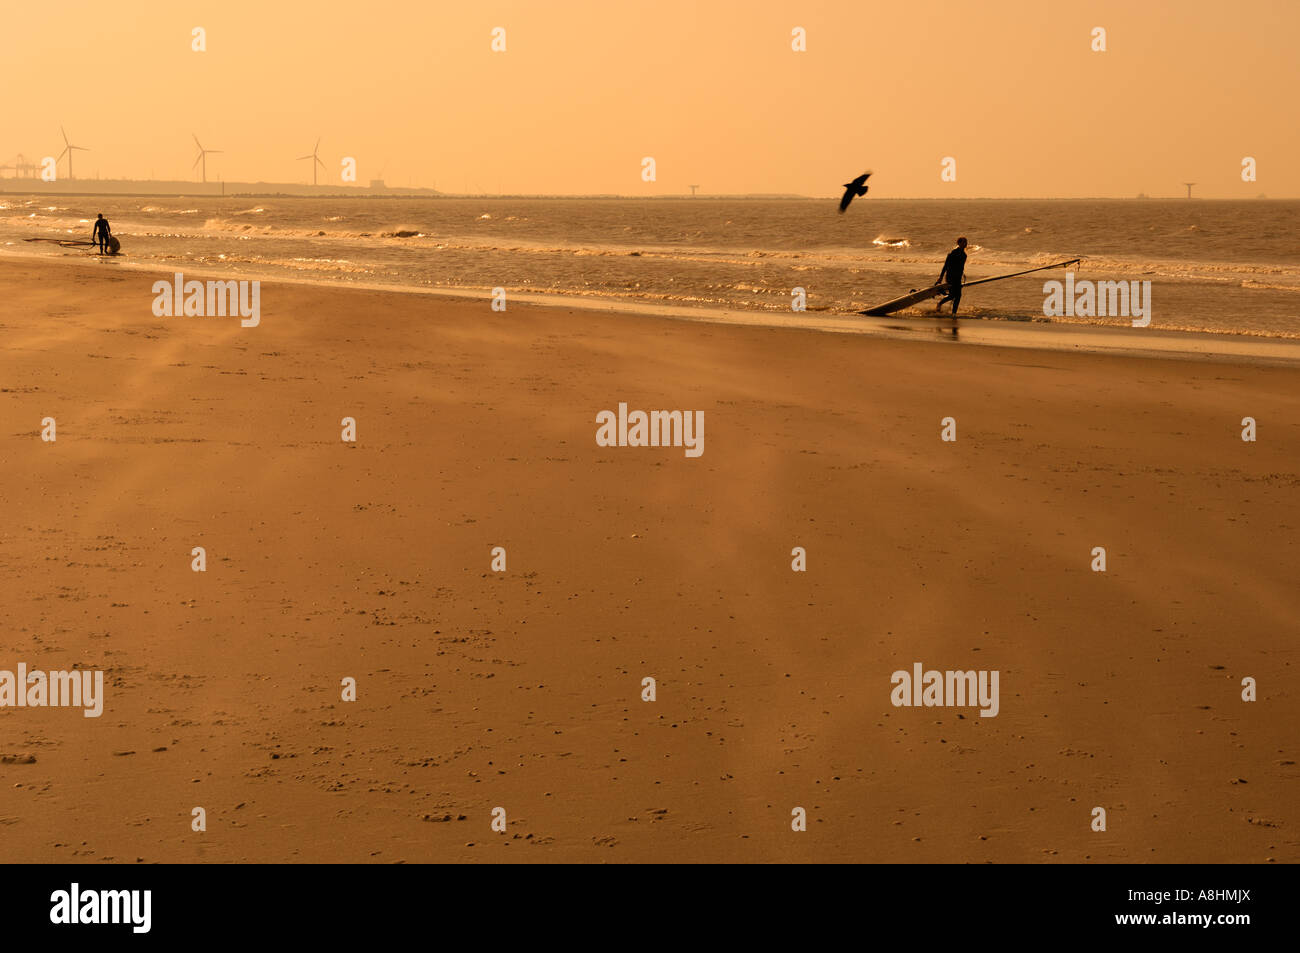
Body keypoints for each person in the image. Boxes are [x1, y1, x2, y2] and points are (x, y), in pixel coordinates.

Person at [935, 236, 968, 314]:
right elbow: (946, 266)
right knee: (953, 295)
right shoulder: (953, 253)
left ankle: (954, 313)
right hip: (951, 276)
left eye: (966, 242)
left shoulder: (964, 255)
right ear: (958, 243)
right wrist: (940, 277)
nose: (965, 244)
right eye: (963, 242)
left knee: (958, 296)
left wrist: (962, 274)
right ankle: (940, 303)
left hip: (958, 277)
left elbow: (961, 267)